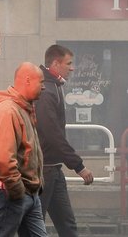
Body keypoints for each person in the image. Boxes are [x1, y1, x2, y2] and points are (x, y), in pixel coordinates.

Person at [36, 44, 94, 237]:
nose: (72, 68)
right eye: (68, 63)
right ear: (55, 63)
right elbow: (52, 133)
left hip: (54, 168)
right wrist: (78, 165)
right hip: (43, 170)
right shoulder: (46, 90)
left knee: (67, 225)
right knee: (35, 226)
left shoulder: (54, 86)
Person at [0, 62, 47, 236]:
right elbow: (3, 159)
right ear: (27, 80)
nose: (44, 87)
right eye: (41, 82)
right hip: (12, 193)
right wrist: (17, 190)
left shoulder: (22, 109)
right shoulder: (8, 112)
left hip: (27, 193)